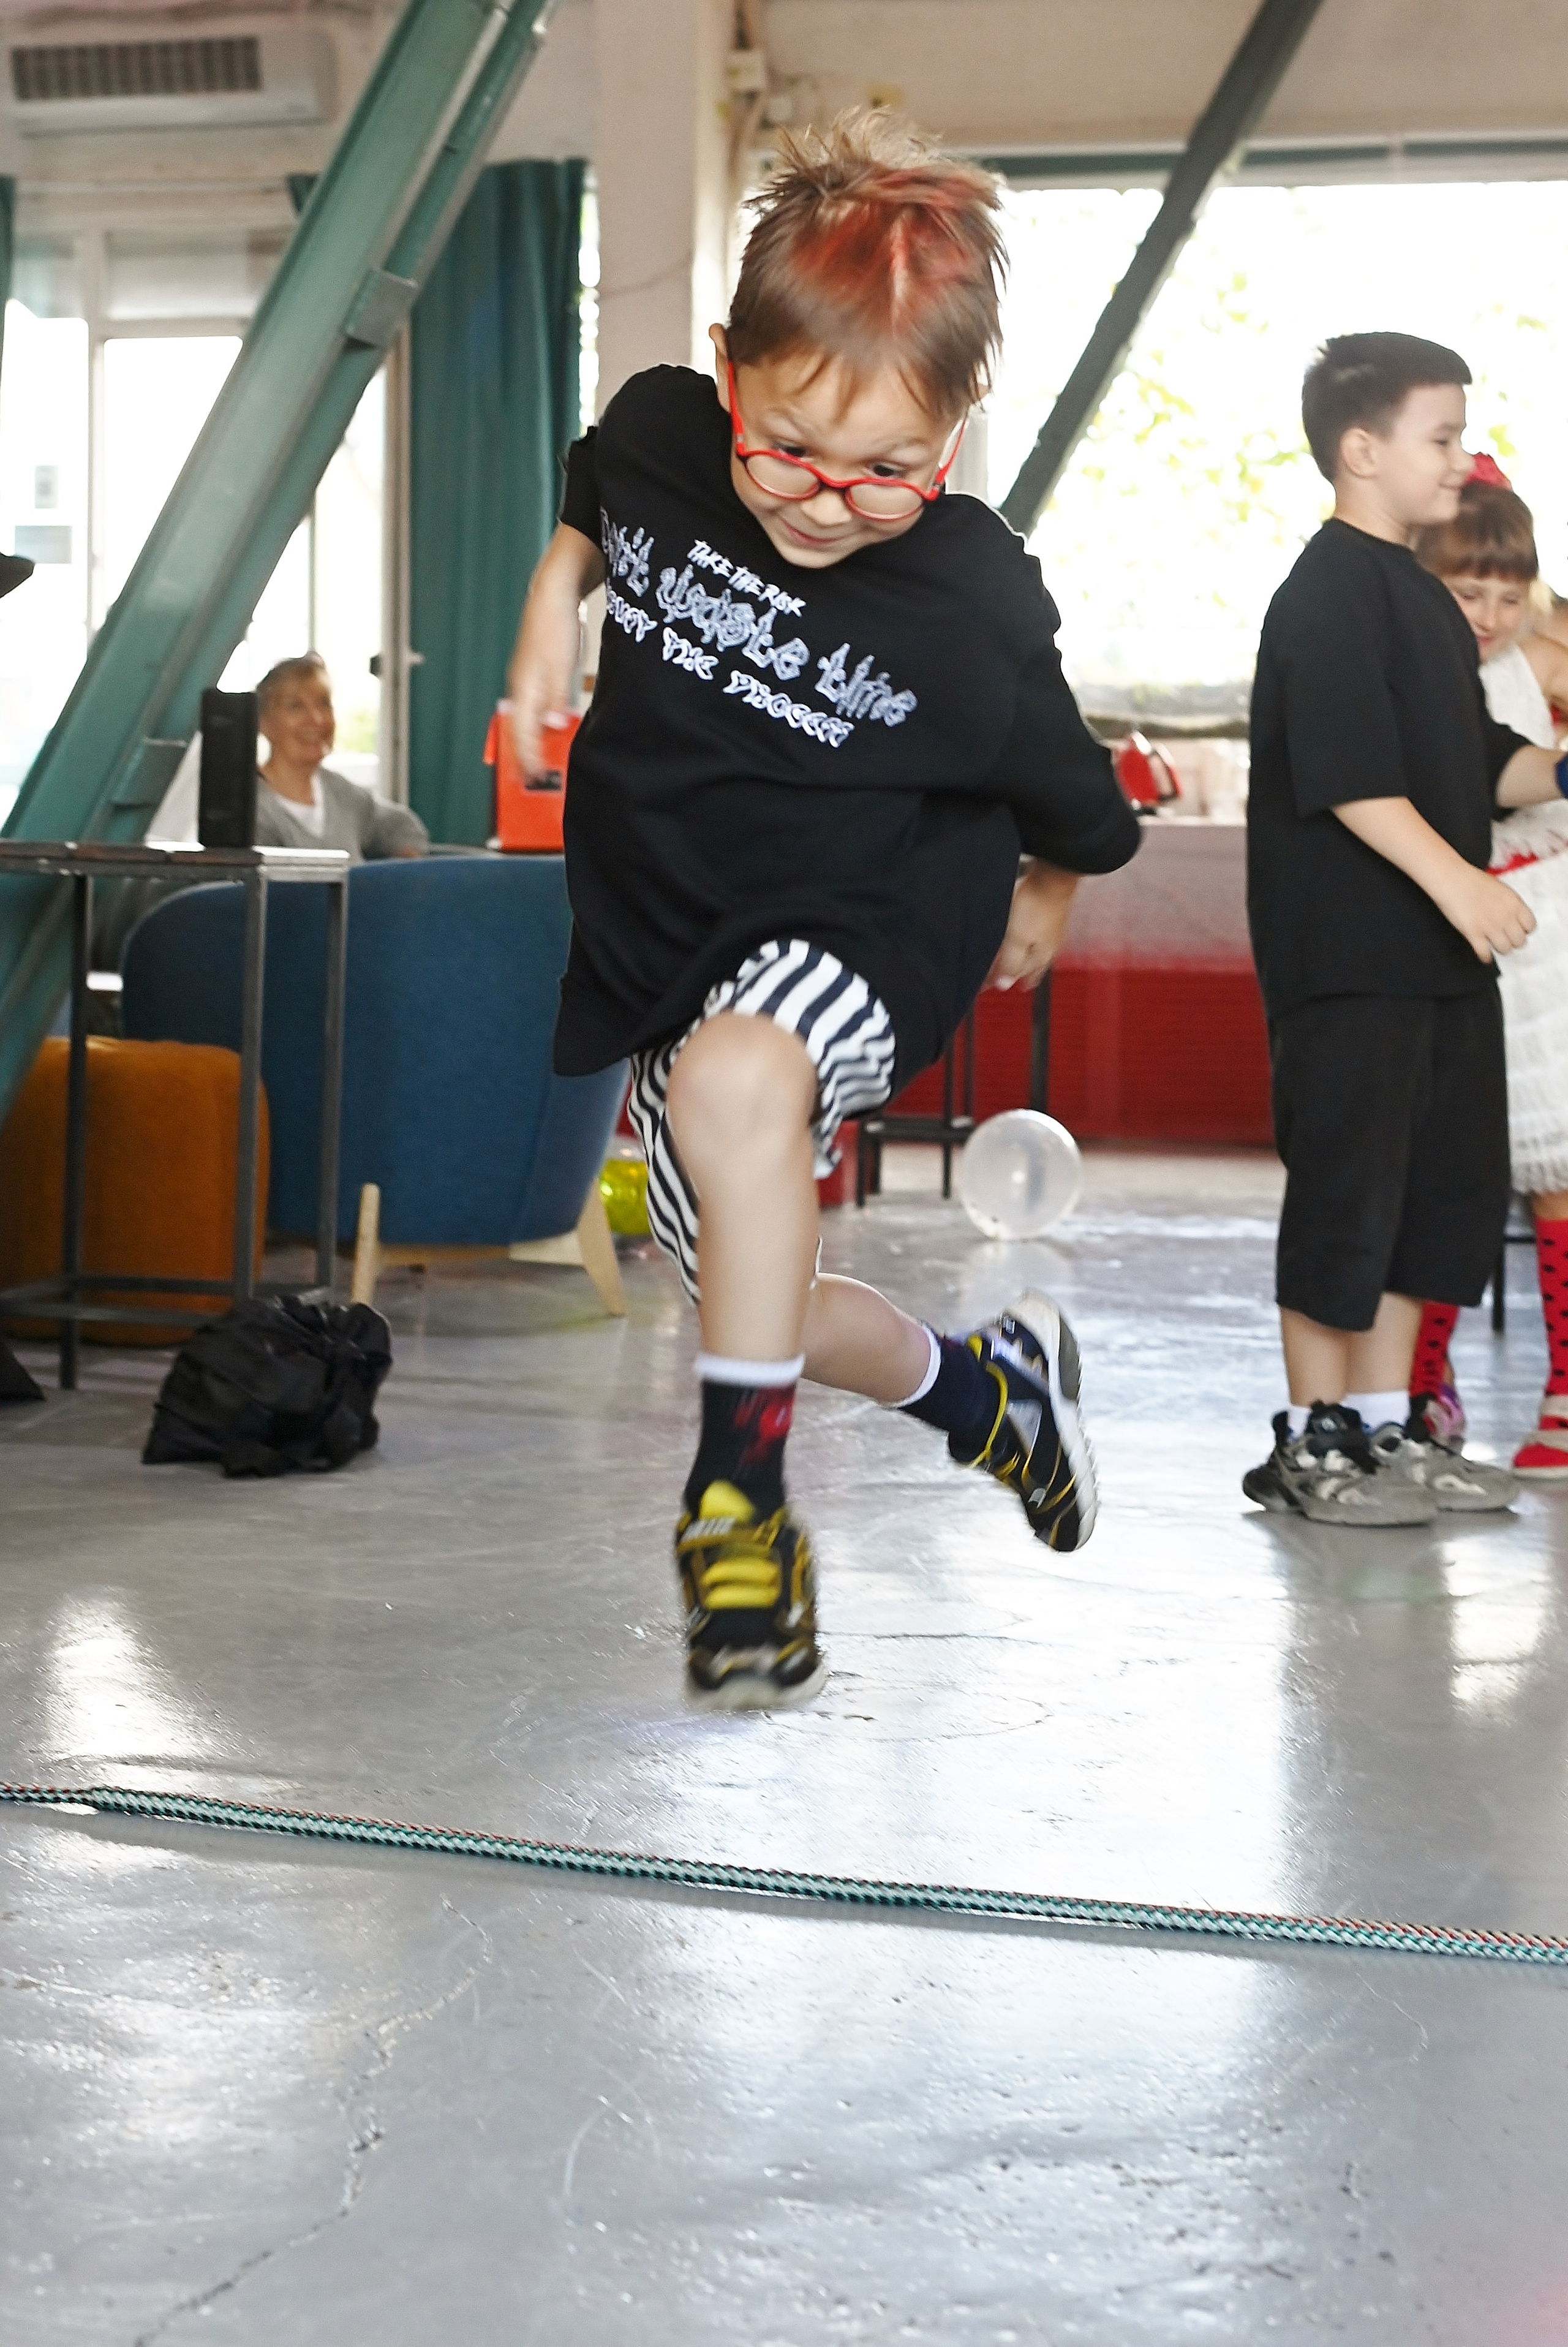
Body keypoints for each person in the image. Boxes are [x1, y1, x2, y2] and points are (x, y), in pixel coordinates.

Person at [507, 112, 1140, 1708]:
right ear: (728, 368)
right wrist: (543, 616)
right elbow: (598, 498)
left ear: (957, 423)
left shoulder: (973, 594)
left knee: (738, 1083)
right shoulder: (659, 429)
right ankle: (988, 1400)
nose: (824, 499)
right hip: (678, 911)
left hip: (877, 909)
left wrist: (1047, 893)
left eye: (886, 470)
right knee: (738, 1276)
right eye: (785, 444)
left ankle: (742, 1505)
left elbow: (1077, 795)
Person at [1243, 331, 1567, 1528]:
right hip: (1349, 960)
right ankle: (1308, 1442)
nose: (1459, 458)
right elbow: (1347, 778)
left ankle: (1382, 1437)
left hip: (1437, 964)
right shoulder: (1325, 589)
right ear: (1360, 449)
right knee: (1342, 1195)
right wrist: (1462, 886)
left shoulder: (1424, 608)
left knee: (1429, 1199)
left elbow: (1480, 762)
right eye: (1439, 437)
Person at [1407, 471, 1568, 1476]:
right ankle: (1422, 1382)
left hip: (1546, 936)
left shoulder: (1529, 659)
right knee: (1442, 1178)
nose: (1491, 615)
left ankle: (1566, 1390)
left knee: (1555, 1180)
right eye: (1470, 592)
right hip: (1456, 925)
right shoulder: (1414, 670)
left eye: (1509, 595)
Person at [254, 653, 428, 860]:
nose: (316, 719)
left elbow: (400, 825)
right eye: (296, 707)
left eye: (324, 704)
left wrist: (407, 859)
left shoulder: (342, 794)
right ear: (263, 722)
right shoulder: (251, 807)